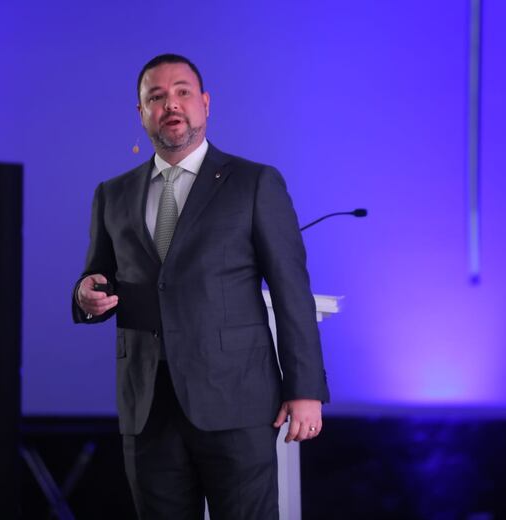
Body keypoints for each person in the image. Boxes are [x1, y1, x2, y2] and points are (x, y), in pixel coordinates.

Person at [72, 53, 329, 520]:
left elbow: (291, 289)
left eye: (182, 92)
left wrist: (305, 389)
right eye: (156, 97)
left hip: (236, 402)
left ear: (205, 103)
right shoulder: (112, 194)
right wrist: (86, 295)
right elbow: (99, 277)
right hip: (147, 406)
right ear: (141, 113)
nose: (170, 104)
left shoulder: (254, 183)